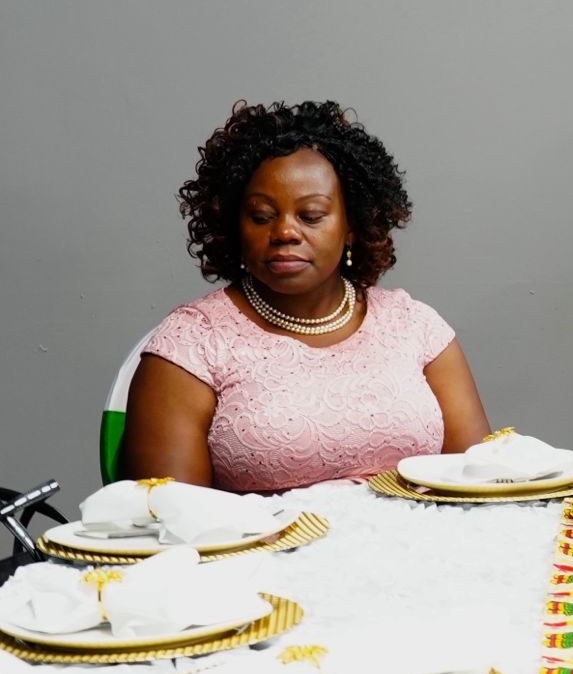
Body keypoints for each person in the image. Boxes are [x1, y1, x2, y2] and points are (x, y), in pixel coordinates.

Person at [122, 101, 490, 491]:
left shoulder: (415, 326)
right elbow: (171, 517)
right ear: (235, 226)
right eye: (262, 216)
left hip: (424, 546)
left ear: (352, 227)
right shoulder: (192, 343)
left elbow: (481, 481)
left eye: (311, 215)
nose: (285, 232)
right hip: (264, 551)